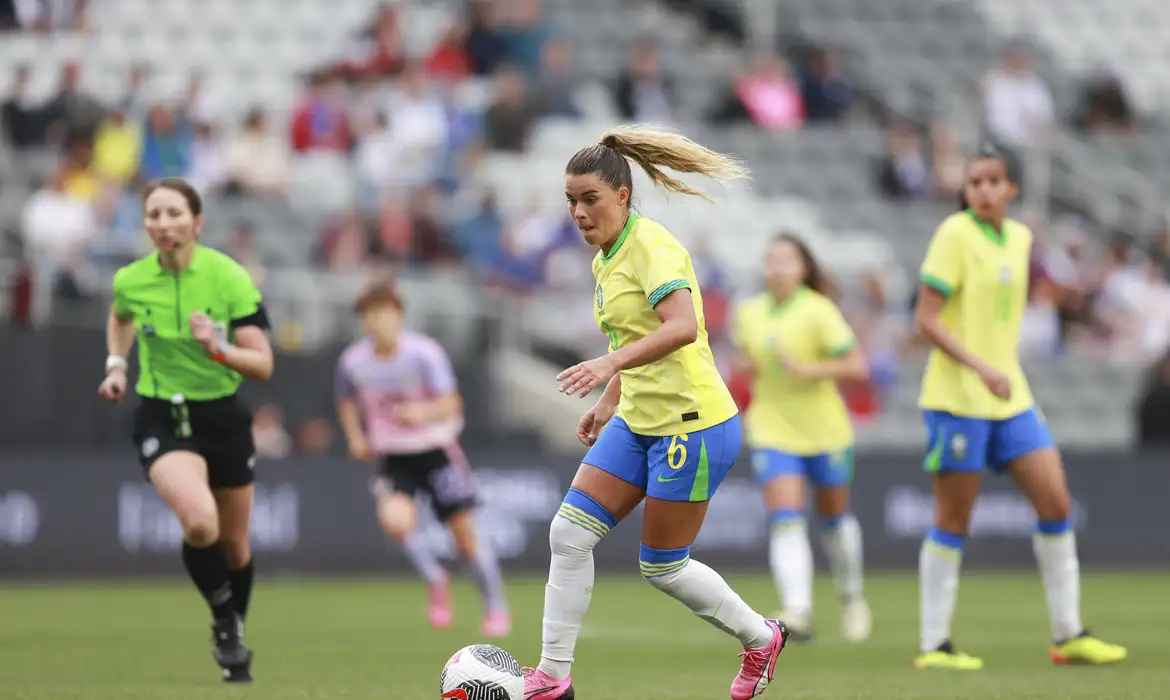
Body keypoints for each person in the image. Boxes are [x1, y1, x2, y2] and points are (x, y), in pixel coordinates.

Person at [523, 126, 789, 700]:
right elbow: (638, 335)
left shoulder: (651, 247)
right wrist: (609, 399)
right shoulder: (606, 259)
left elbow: (681, 326)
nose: (578, 212)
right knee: (568, 534)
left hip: (693, 425)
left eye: (589, 198)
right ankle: (552, 677)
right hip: (638, 420)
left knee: (662, 566)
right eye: (570, 200)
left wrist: (605, 363)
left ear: (622, 195)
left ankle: (760, 638)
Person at [913, 146, 1127, 670]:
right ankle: (934, 644)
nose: (982, 190)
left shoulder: (1023, 238)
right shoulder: (954, 235)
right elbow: (927, 320)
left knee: (1055, 503)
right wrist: (980, 366)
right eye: (973, 183)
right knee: (953, 519)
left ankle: (1068, 634)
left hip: (1012, 397)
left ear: (1011, 188)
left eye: (992, 181)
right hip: (958, 398)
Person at [97, 177, 274, 683]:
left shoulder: (229, 277)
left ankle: (234, 630)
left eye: (173, 213)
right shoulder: (131, 279)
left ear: (197, 221)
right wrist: (116, 365)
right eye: (153, 214)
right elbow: (120, 317)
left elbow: (262, 364)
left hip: (222, 415)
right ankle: (224, 625)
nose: (162, 223)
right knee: (200, 523)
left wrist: (217, 348)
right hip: (163, 414)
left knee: (235, 545)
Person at [335, 279, 510, 637]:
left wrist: (421, 412)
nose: (375, 322)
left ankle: (494, 606)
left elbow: (452, 402)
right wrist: (355, 436)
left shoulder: (423, 353)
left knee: (464, 538)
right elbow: (345, 400)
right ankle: (435, 578)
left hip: (435, 450)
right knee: (396, 522)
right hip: (393, 456)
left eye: (382, 313)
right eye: (368, 315)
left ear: (398, 315)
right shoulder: (353, 361)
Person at [731, 233, 871, 644]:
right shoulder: (750, 313)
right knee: (787, 519)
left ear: (803, 268)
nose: (776, 266)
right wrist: (744, 367)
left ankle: (851, 597)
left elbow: (858, 365)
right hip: (773, 428)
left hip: (825, 432)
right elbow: (748, 364)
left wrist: (810, 370)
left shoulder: (818, 310)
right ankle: (798, 611)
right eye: (770, 258)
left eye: (786, 259)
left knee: (834, 521)